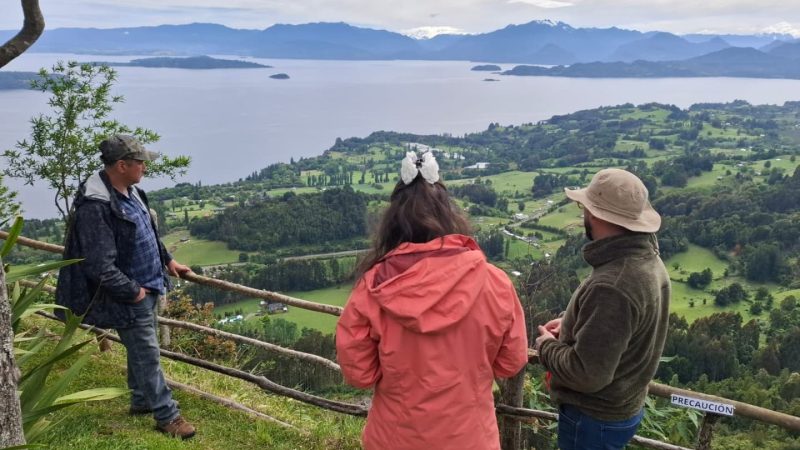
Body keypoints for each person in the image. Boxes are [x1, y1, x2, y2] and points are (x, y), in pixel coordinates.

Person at [336, 151, 529, 450]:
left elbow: (359, 374)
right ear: (449, 214)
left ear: (392, 222)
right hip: (472, 438)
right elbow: (509, 363)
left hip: (395, 438)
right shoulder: (494, 282)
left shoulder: (373, 287)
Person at [55, 134, 195, 439]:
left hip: (148, 285)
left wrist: (169, 262)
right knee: (147, 354)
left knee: (143, 350)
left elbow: (148, 234)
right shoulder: (95, 208)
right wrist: (132, 291)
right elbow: (98, 265)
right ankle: (167, 416)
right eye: (141, 162)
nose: (145, 167)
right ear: (122, 165)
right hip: (129, 295)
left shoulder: (131, 193)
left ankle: (142, 400)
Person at [534, 168, 670, 450]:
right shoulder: (646, 258)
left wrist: (546, 346)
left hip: (593, 418)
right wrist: (573, 324)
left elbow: (588, 375)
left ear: (594, 214)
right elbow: (622, 327)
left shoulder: (613, 285)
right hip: (622, 406)